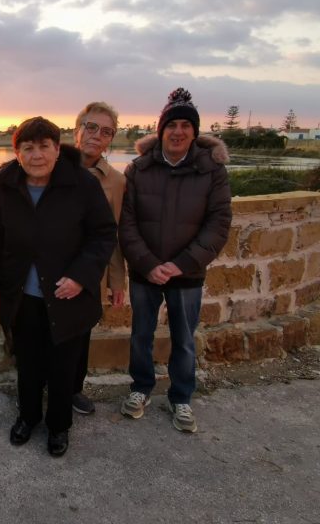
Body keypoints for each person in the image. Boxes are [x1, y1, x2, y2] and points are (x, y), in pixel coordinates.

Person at [0, 116, 116, 457]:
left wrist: (80, 276)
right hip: (22, 295)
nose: (36, 155)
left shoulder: (82, 183)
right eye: (28, 148)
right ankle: (27, 417)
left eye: (43, 147)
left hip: (68, 295)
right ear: (17, 153)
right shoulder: (6, 185)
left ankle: (59, 426)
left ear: (57, 149)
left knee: (63, 366)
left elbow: (103, 235)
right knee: (28, 363)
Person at [119, 88, 232, 433]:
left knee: (183, 339)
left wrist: (182, 263)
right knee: (141, 335)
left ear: (195, 132)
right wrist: (148, 263)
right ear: (161, 130)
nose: (178, 132)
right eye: (172, 125)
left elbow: (218, 223)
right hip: (146, 272)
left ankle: (181, 397)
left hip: (188, 272)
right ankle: (141, 388)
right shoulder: (138, 169)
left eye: (185, 125)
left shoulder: (212, 171)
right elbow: (126, 222)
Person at [71, 101, 127, 415]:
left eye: (106, 132)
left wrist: (117, 280)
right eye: (91, 127)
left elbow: (113, 234)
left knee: (81, 333)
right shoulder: (52, 167)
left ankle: (73, 389)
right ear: (77, 130)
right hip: (51, 267)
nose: (97, 135)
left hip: (90, 271)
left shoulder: (116, 181)